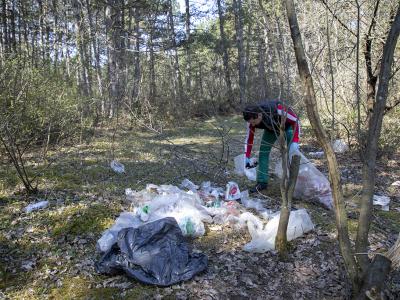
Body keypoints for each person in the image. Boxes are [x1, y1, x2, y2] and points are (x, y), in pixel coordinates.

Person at [242, 100, 300, 193]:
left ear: (259, 115)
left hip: (287, 127)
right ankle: (262, 182)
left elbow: (296, 121)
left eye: (254, 122)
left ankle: (296, 181)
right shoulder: (251, 118)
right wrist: (247, 156)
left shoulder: (278, 110)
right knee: (263, 153)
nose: (252, 125)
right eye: (250, 123)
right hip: (270, 130)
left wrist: (295, 141)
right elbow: (249, 138)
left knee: (293, 154)